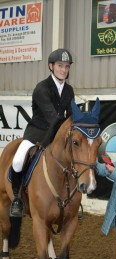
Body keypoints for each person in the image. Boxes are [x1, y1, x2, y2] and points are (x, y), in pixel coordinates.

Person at [10, 48, 75, 218]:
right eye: (60, 65)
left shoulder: (69, 90)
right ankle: (17, 199)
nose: (64, 69)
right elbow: (53, 117)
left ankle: (71, 201)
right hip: (37, 133)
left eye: (67, 66)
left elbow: (72, 114)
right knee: (17, 160)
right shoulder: (42, 88)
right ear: (51, 66)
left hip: (58, 134)